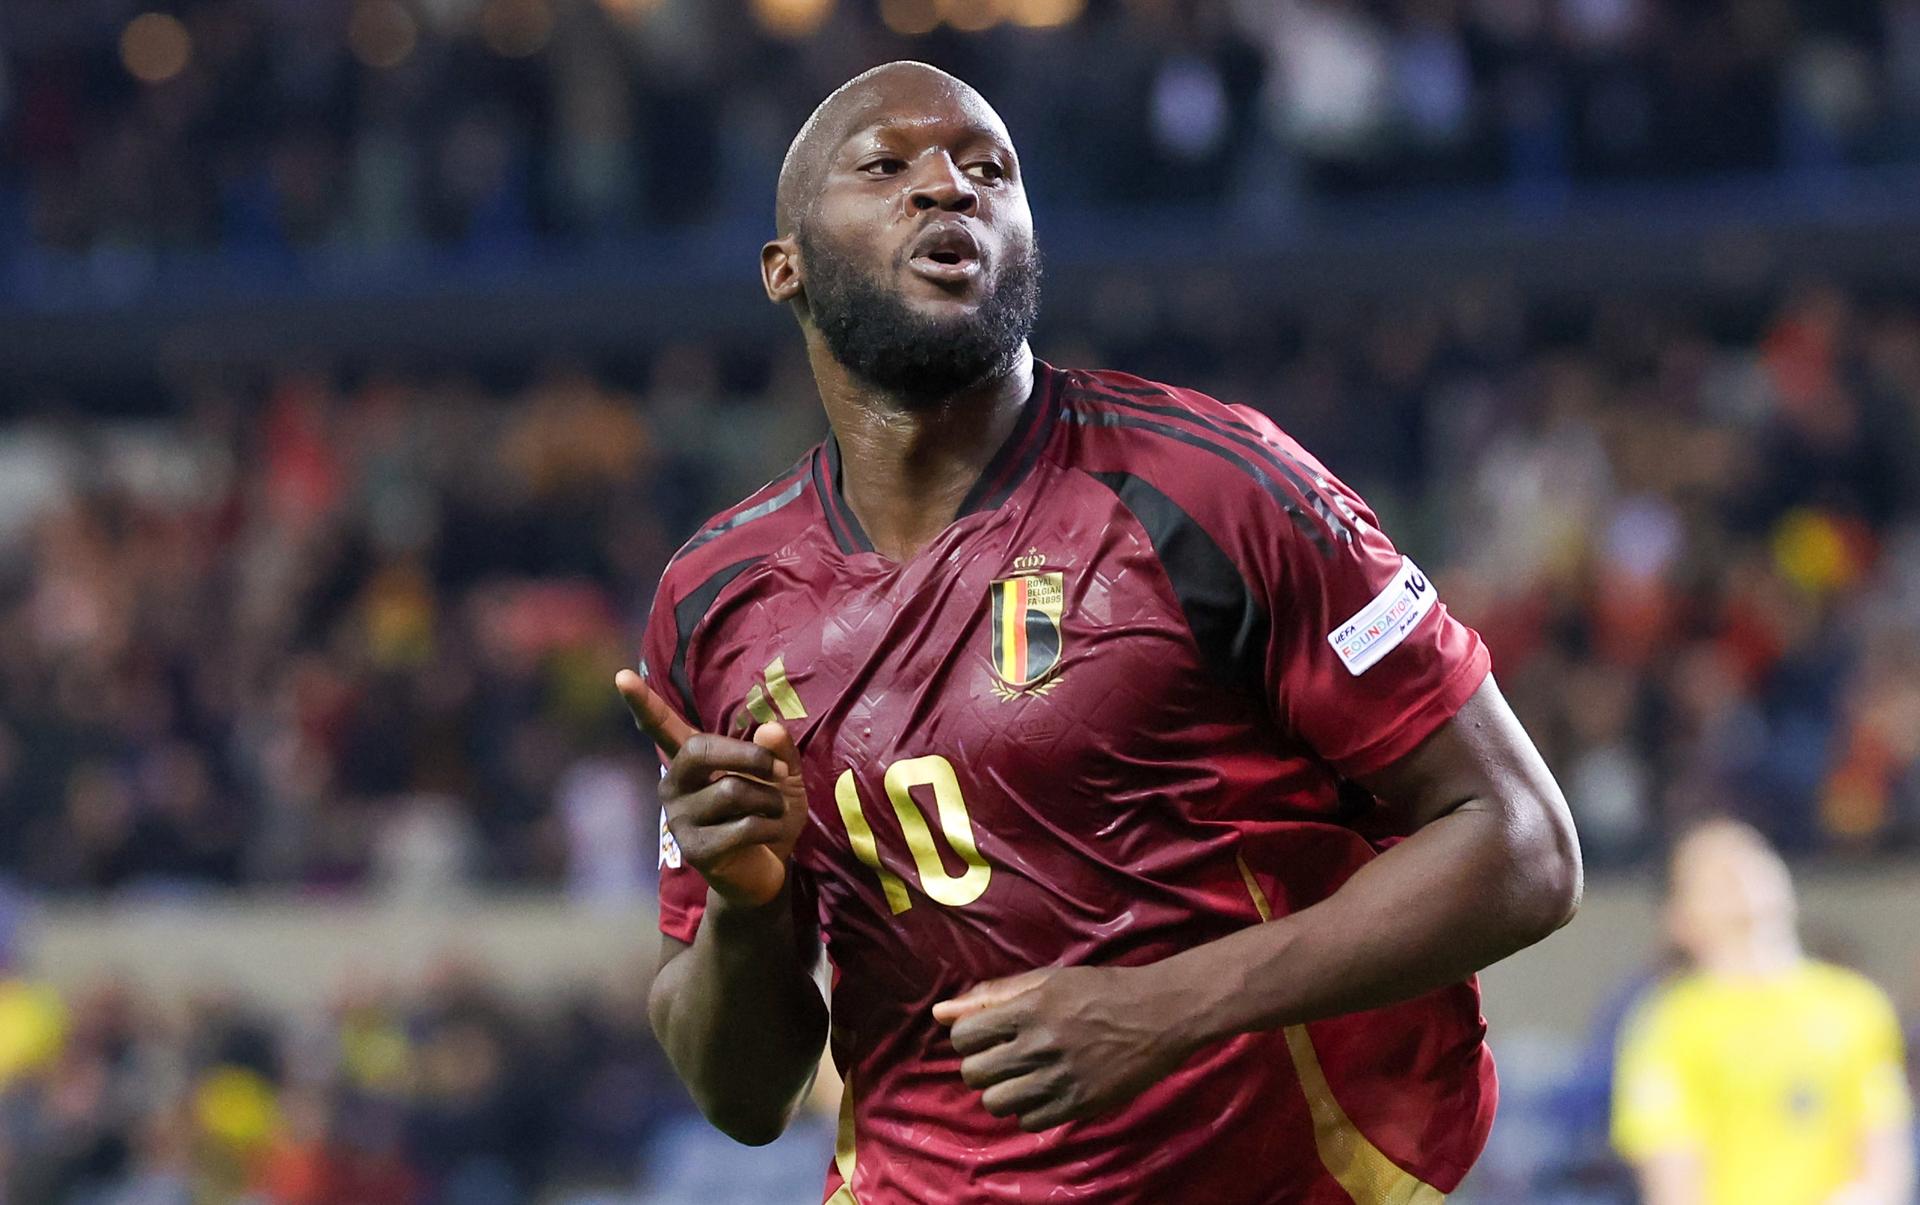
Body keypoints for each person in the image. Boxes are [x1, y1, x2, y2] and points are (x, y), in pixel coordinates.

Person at [616, 61, 1582, 1203]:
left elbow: (1523, 843)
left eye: (991, 170)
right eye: (887, 166)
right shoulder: (716, 599)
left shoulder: (1214, 487)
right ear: (786, 268)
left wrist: (1164, 1006)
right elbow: (743, 1099)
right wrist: (747, 907)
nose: (948, 186)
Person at [1613, 820, 1914, 1205]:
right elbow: (1673, 1182)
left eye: (1752, 854)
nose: (1739, 873)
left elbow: (1885, 1163)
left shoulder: (1858, 1005)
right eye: (1713, 872)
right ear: (1679, 919)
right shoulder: (1667, 1023)